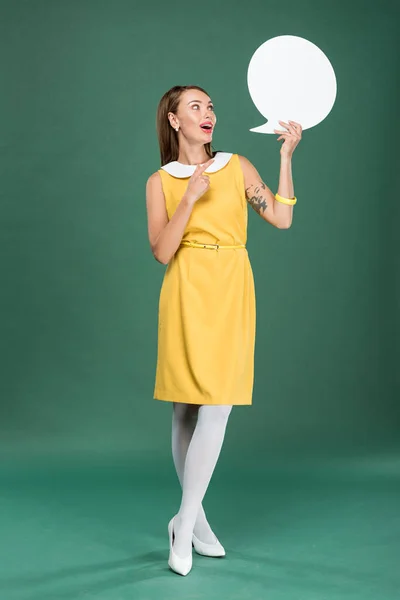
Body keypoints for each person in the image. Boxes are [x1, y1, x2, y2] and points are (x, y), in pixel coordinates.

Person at [145, 85, 302, 576]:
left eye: (210, 106)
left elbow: (280, 218)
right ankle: (197, 525)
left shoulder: (237, 166)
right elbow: (161, 251)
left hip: (231, 285)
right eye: (196, 106)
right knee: (185, 408)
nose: (208, 112)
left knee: (220, 403)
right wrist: (190, 197)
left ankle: (183, 522)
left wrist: (286, 157)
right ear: (174, 121)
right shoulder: (160, 181)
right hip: (186, 287)